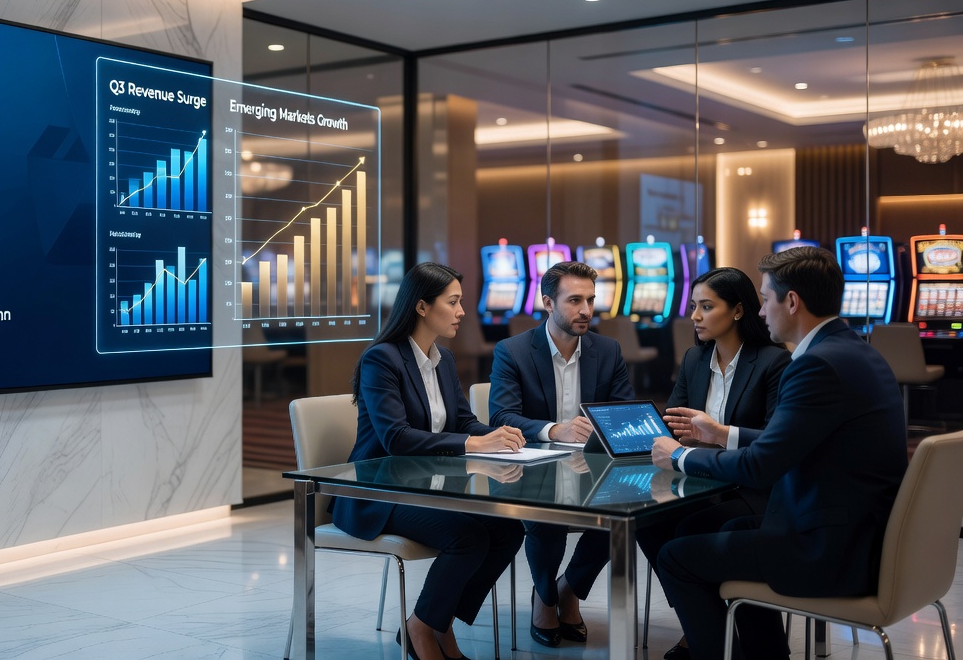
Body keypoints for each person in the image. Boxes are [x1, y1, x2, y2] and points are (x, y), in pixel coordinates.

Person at [650, 246, 907, 660]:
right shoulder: (853, 350)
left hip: (831, 550)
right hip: (859, 532)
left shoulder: (815, 365)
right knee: (727, 529)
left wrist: (679, 456)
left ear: (792, 302)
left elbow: (761, 467)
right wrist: (722, 434)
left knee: (675, 558)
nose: (761, 310)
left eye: (766, 298)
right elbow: (787, 442)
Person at [331, 262, 527, 660]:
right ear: (421, 306)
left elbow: (463, 421)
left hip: (423, 489)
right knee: (467, 537)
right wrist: (473, 444)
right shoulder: (381, 359)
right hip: (377, 493)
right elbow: (396, 437)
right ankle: (422, 629)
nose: (461, 312)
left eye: (461, 302)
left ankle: (434, 622)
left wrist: (499, 436)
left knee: (508, 529)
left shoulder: (444, 360)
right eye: (452, 302)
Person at [636, 267, 791, 660]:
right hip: (700, 481)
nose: (695, 316)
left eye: (706, 306)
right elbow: (674, 424)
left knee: (690, 529)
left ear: (738, 310)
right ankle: (700, 622)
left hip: (752, 488)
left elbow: (773, 441)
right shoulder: (694, 357)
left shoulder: (773, 361)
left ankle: (705, 633)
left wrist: (716, 434)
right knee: (648, 522)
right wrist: (679, 439)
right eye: (694, 306)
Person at [488, 260, 634, 647]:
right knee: (546, 518)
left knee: (625, 517)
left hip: (592, 470)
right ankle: (546, 600)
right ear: (548, 303)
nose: (586, 310)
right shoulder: (513, 351)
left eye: (590, 300)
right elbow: (501, 415)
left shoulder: (608, 350)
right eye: (574, 300)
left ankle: (567, 589)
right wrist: (555, 430)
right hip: (532, 470)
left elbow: (624, 412)